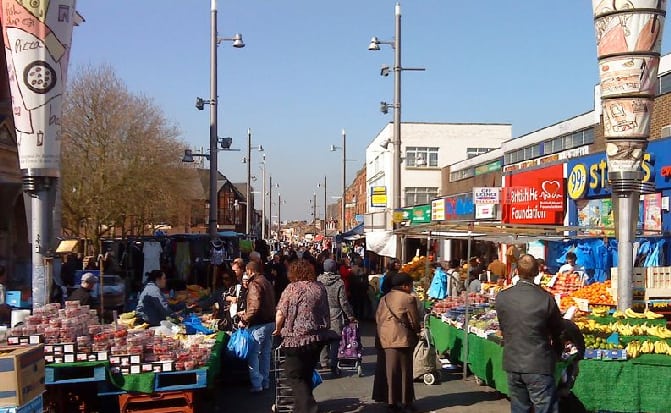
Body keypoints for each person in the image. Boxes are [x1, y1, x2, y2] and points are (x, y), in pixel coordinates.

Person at [495, 254, 564, 413]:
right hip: (538, 363)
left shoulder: (503, 297)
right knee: (544, 408)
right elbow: (558, 331)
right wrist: (558, 353)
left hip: (513, 361)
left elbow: (504, 327)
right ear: (537, 271)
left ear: (517, 271)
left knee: (519, 407)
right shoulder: (545, 298)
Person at [274, 259, 335, 413]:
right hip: (317, 337)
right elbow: (325, 311)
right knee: (306, 373)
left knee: (294, 375)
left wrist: (277, 329)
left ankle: (308, 408)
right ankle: (301, 407)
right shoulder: (319, 287)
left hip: (296, 338)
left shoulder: (292, 288)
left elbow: (280, 313)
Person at [376, 273, 421, 413]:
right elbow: (414, 320)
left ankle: (391, 402)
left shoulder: (384, 298)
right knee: (405, 371)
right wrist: (417, 331)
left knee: (390, 371)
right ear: (405, 285)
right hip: (402, 338)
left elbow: (378, 317)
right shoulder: (408, 298)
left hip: (385, 338)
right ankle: (406, 402)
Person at [238, 261, 275, 393]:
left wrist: (244, 318)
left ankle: (257, 383)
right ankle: (265, 381)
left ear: (250, 271)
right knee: (265, 354)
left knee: (254, 355)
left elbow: (254, 306)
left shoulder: (255, 284)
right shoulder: (266, 281)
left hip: (259, 324)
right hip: (270, 322)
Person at [317, 258, 355, 375]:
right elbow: (343, 301)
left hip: (321, 312)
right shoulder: (339, 283)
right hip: (335, 313)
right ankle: (334, 364)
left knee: (323, 339)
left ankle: (323, 362)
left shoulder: (318, 281)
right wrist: (350, 315)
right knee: (335, 340)